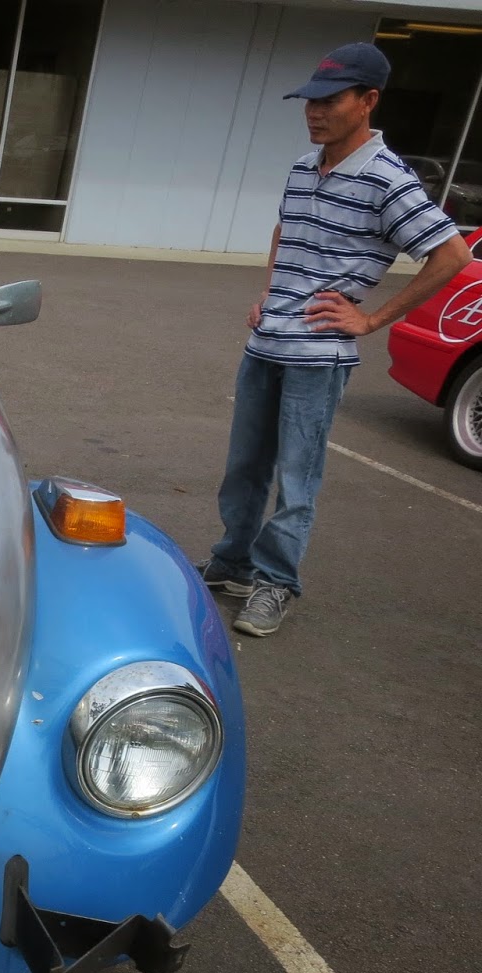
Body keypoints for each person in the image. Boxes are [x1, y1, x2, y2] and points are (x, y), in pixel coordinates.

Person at [201, 42, 470, 637]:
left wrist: (372, 320)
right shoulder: (304, 166)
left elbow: (451, 254)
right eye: (310, 101)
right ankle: (233, 563)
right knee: (244, 466)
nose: (314, 111)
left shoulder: (388, 179)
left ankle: (276, 582)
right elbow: (285, 228)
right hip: (267, 342)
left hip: (319, 356)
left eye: (329, 101)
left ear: (368, 100)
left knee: (297, 479)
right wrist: (272, 292)